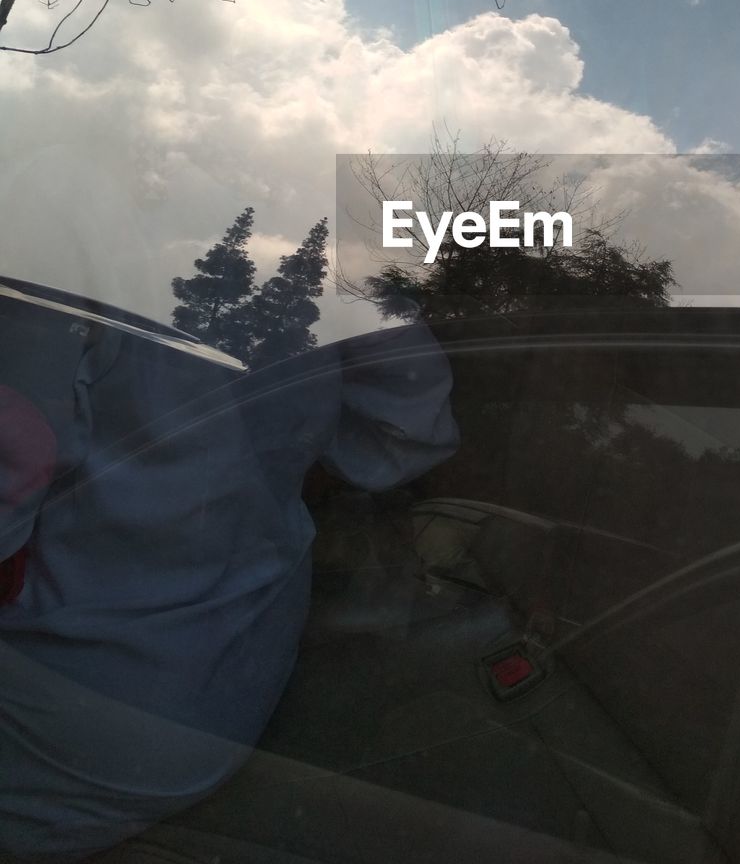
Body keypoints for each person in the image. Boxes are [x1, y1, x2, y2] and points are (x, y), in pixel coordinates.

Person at [0, 316, 458, 861]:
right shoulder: (325, 252)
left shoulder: (50, 264)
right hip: (238, 684)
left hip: (81, 706)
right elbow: (410, 431)